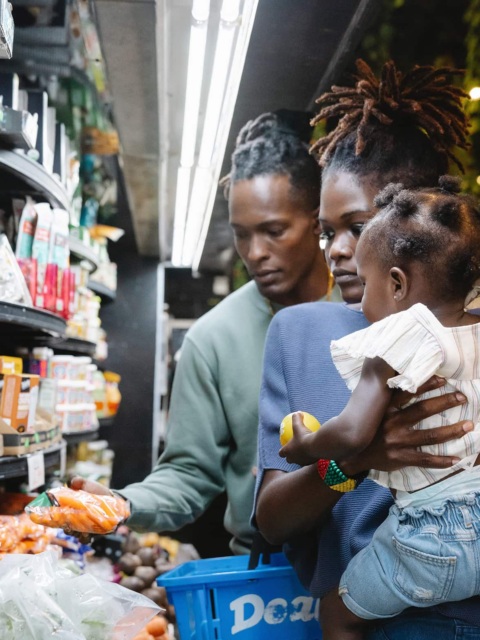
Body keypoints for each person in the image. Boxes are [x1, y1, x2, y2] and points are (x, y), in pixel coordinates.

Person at [254, 59, 480, 639]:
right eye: (328, 232)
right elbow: (272, 519)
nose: (336, 250)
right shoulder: (300, 332)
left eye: (357, 226)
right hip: (384, 615)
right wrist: (351, 461)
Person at [70, 111, 342, 554]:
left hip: (372, 565)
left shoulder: (366, 308)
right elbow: (190, 474)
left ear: (316, 220)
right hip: (265, 578)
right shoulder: (212, 340)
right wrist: (122, 503)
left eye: (274, 231)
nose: (256, 253)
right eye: (242, 235)